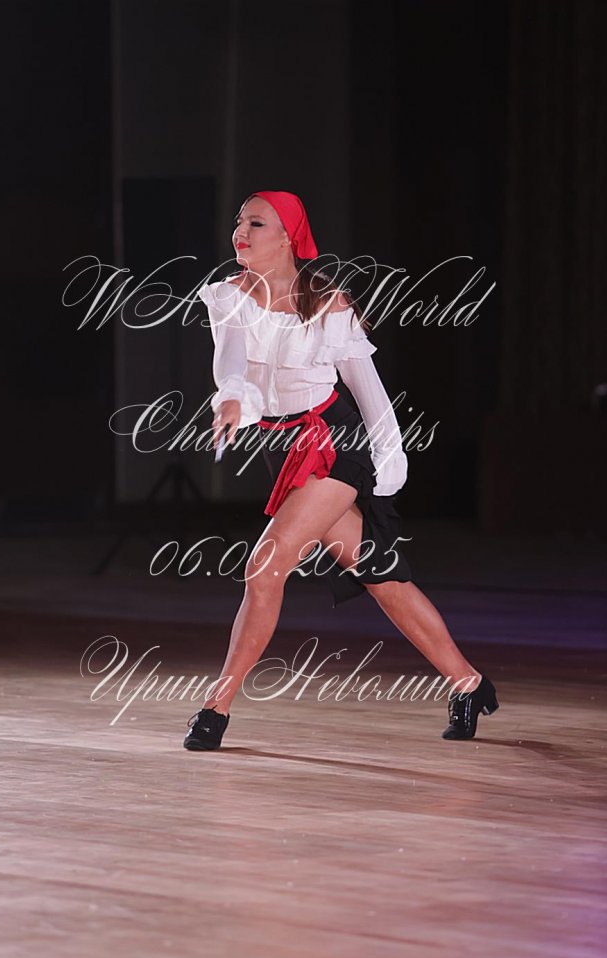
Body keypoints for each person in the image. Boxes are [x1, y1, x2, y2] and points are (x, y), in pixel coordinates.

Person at [184, 190, 499, 750]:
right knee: (381, 576)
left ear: (287, 237)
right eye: (239, 222)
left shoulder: (330, 304)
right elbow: (230, 360)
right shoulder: (229, 296)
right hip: (285, 447)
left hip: (335, 444)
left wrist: (391, 454)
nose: (240, 232)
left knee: (264, 569)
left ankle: (216, 707)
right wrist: (231, 395)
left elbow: (368, 390)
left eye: (255, 223)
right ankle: (470, 684)